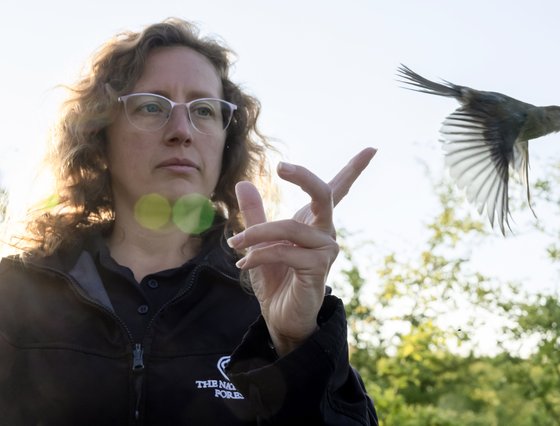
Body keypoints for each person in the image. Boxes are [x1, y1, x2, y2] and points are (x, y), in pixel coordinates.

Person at [0, 18, 378, 425]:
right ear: (100, 133)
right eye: (151, 106)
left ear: (225, 141)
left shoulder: (269, 296)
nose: (182, 131)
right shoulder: (16, 292)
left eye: (203, 110)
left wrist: (297, 347)